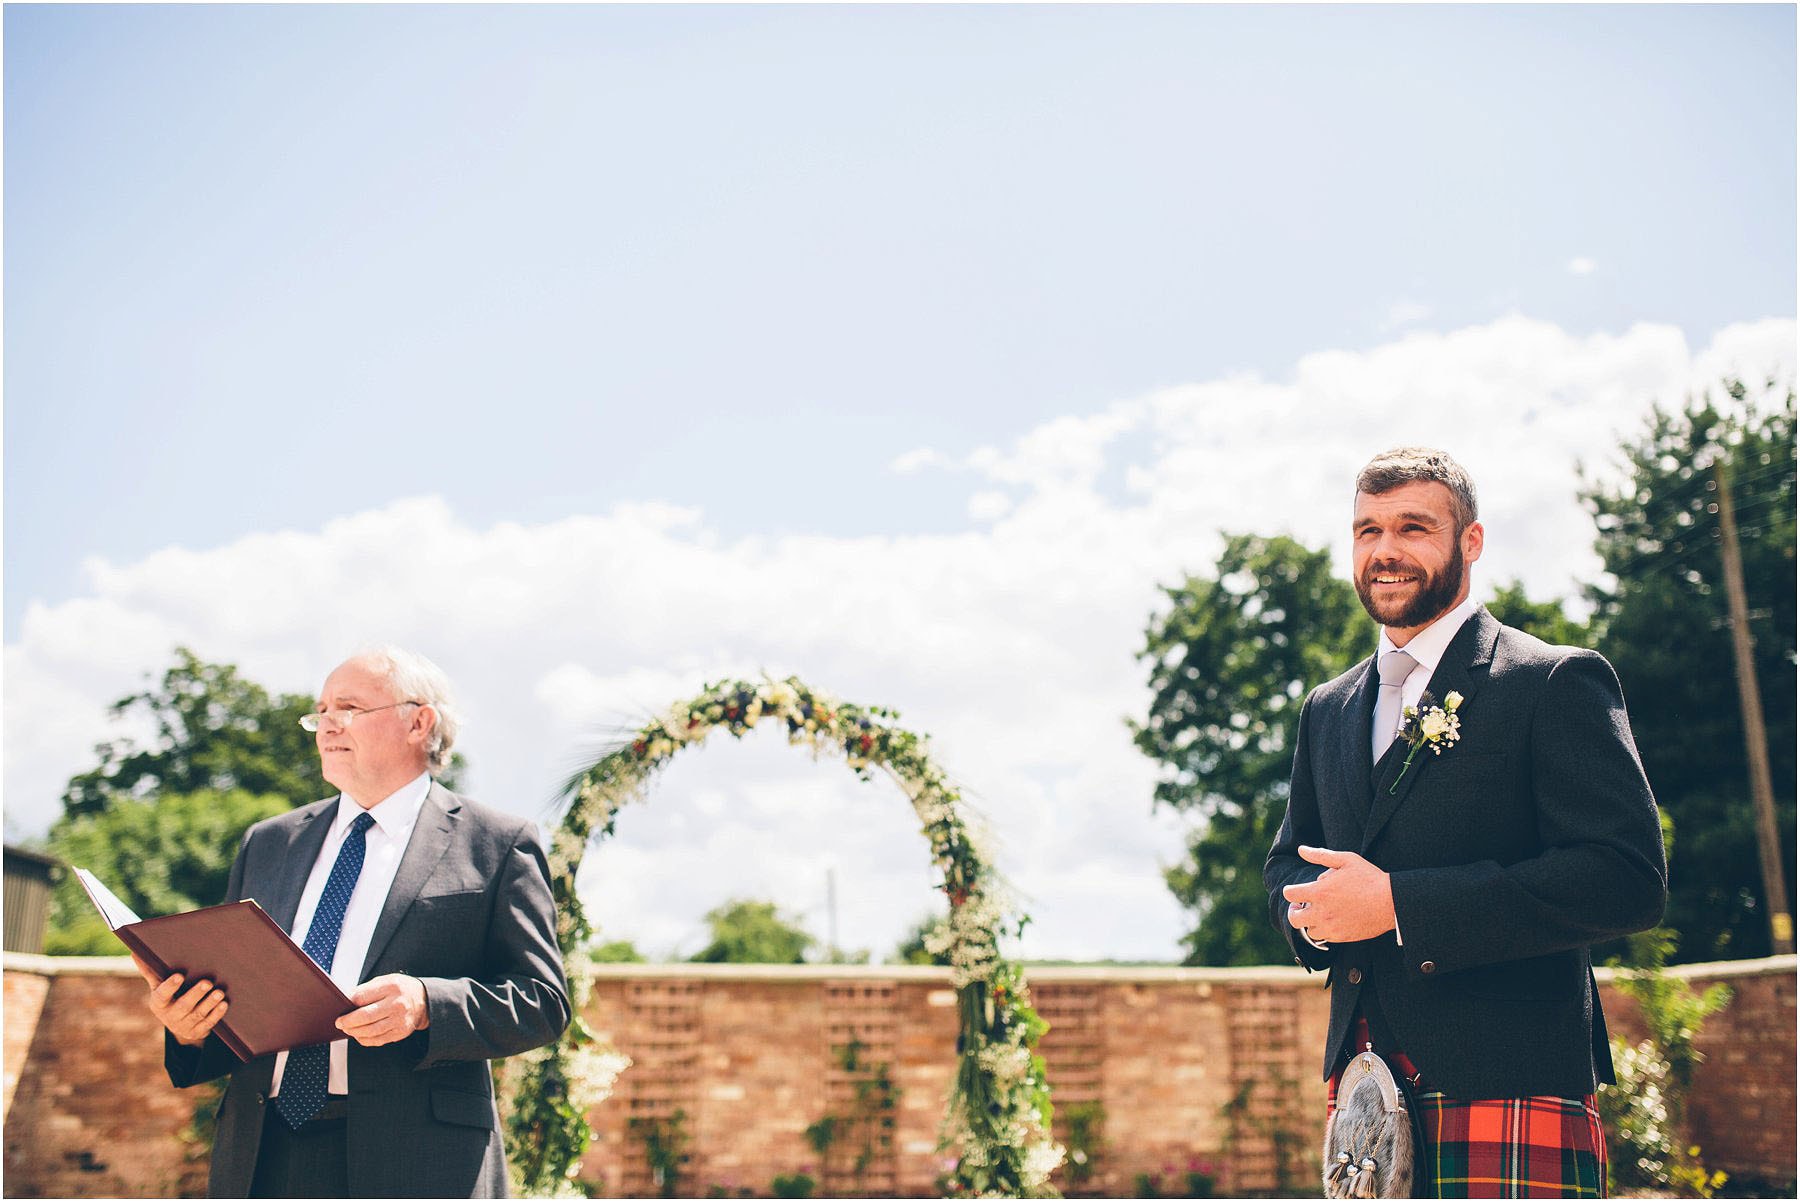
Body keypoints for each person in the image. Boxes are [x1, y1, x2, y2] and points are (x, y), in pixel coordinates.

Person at [1264, 447, 1666, 1198]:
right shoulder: (1327, 708)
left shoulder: (1551, 681)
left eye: (1413, 528)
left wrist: (1398, 906)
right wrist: (1317, 918)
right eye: (1367, 531)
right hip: (1363, 1097)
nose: (1385, 551)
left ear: (1470, 542)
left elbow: (1625, 878)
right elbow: (1288, 868)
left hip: (1510, 1078)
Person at [135, 647, 569, 1198]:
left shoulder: (495, 843)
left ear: (419, 721)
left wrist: (425, 1005)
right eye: (320, 711)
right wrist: (189, 1026)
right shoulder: (268, 842)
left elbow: (542, 1001)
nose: (326, 725)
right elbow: (241, 1003)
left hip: (418, 1160)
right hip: (262, 1153)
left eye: (349, 707)